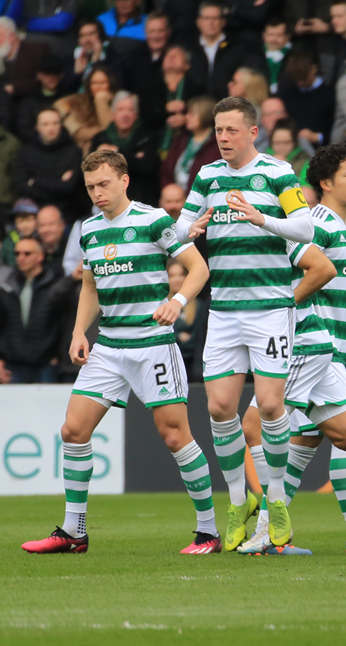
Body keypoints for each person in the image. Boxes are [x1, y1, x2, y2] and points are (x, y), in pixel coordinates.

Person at [20, 149, 218, 555]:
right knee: (73, 431)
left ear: (124, 180)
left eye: (104, 184)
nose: (97, 193)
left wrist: (177, 301)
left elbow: (199, 268)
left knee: (176, 436)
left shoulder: (152, 220)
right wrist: (79, 331)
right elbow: (90, 288)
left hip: (152, 344)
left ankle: (208, 532)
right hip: (109, 345)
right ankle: (74, 532)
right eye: (91, 186)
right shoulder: (89, 230)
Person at [239, 143, 346, 556]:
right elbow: (294, 278)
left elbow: (337, 297)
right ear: (326, 182)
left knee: (312, 443)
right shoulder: (316, 223)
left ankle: (273, 532)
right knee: (270, 427)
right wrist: (279, 317)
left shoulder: (342, 229)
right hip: (307, 348)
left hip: (332, 350)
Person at [173, 96, 317, 552]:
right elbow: (178, 228)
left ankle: (276, 498)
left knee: (271, 406)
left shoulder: (278, 173)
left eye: (231, 130)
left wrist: (262, 218)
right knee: (218, 409)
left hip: (271, 309)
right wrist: (189, 229)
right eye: (218, 130)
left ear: (253, 132)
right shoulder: (208, 175)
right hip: (224, 311)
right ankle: (239, 500)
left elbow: (306, 230)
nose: (222, 138)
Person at [0, 236, 71, 383]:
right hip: (11, 365)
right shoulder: (6, 286)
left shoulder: (55, 285)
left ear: (40, 256)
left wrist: (58, 356)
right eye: (17, 253)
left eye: (27, 253)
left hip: (47, 365)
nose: (21, 258)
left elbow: (63, 325)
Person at [91, 91, 160, 206]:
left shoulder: (148, 137)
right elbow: (93, 171)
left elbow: (146, 167)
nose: (125, 114)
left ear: (136, 114)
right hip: (107, 202)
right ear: (113, 114)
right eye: (121, 110)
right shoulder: (100, 139)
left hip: (141, 201)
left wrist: (116, 151)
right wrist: (133, 158)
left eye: (130, 110)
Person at [15, 108, 83, 221]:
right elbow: (21, 185)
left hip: (66, 215)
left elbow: (70, 188)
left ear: (61, 125)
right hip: (34, 213)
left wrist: (35, 181)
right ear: (37, 127)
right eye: (45, 124)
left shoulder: (74, 151)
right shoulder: (26, 152)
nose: (51, 128)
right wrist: (58, 184)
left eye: (55, 123)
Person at [160, 95, 218, 192]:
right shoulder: (180, 140)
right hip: (175, 199)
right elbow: (166, 170)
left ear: (205, 115)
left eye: (191, 114)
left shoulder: (216, 145)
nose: (186, 117)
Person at [54, 64, 114, 154]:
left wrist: (101, 102)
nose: (98, 87)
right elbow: (78, 134)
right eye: (94, 83)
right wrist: (99, 131)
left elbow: (110, 130)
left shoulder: (118, 102)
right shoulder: (78, 101)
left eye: (102, 83)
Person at [36, 205, 68, 274]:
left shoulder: (72, 249)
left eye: (51, 224)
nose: (46, 230)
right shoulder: (33, 251)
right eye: (42, 225)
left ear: (62, 225)